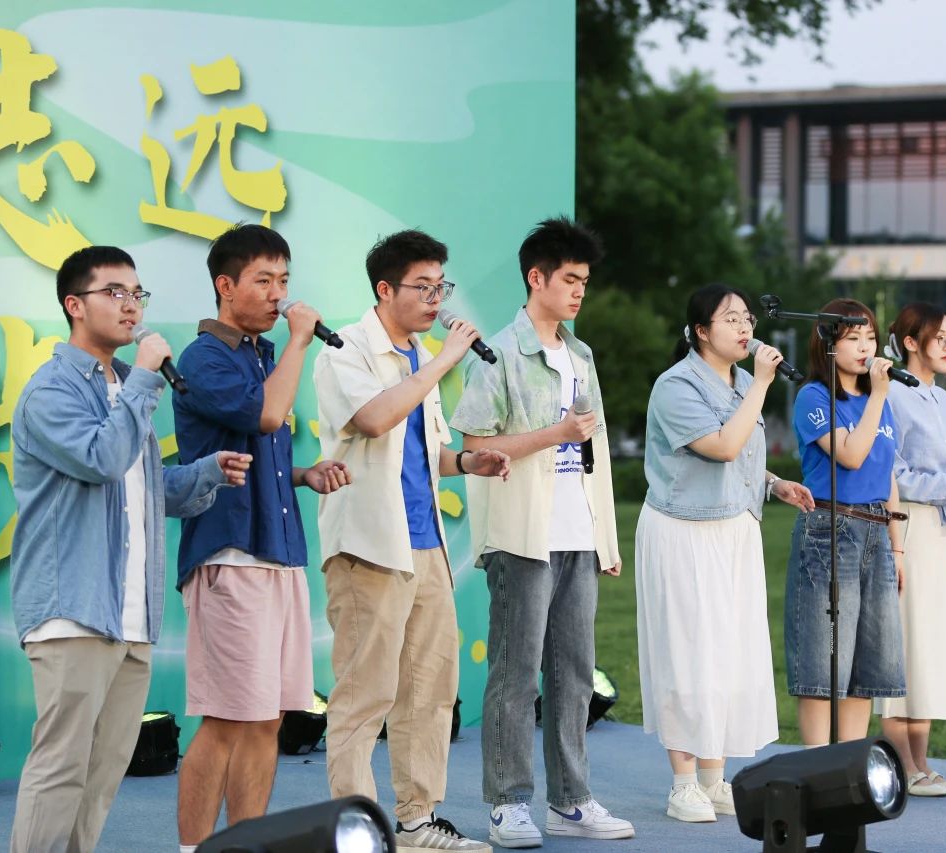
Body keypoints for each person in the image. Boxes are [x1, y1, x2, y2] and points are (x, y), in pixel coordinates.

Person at [9, 246, 251, 853]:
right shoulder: (51, 391)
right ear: (74, 305)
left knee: (102, 773)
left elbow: (141, 489)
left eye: (137, 293)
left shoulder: (124, 385)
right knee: (61, 766)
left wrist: (205, 473)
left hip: (131, 615)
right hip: (74, 610)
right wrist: (144, 379)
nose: (131, 306)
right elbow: (102, 460)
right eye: (114, 292)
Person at [314, 229, 510, 851]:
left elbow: (427, 453)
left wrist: (468, 462)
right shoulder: (346, 349)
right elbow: (374, 420)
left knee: (430, 690)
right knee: (364, 694)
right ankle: (356, 829)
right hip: (369, 546)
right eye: (422, 287)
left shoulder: (420, 355)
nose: (435, 300)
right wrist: (445, 360)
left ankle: (418, 821)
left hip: (426, 546)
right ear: (384, 289)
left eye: (440, 287)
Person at [450, 217, 635, 849]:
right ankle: (507, 803)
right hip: (521, 536)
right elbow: (474, 446)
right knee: (516, 672)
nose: (580, 290)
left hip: (578, 533)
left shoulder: (581, 355)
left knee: (575, 673)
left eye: (585, 280)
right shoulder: (499, 352)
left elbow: (596, 452)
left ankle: (571, 800)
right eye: (570, 279)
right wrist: (553, 435)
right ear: (537, 278)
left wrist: (604, 537)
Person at [171, 224, 350, 852]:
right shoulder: (204, 358)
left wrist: (302, 474)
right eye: (264, 280)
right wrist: (300, 338)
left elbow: (259, 444)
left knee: (268, 718)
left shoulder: (262, 355)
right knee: (227, 718)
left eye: (285, 281)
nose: (279, 294)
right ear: (226, 286)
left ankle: (242, 845)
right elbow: (267, 415)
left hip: (279, 553)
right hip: (229, 555)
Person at [635, 284, 815, 823]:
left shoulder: (740, 382)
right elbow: (720, 447)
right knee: (687, 653)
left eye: (747, 318)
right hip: (684, 531)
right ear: (700, 331)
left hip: (735, 530)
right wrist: (761, 383)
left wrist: (774, 483)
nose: (744, 327)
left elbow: (741, 457)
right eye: (730, 318)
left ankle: (714, 780)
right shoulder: (676, 385)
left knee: (727, 654)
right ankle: (682, 784)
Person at [785, 298, 908, 746]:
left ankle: (851, 764)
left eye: (870, 338)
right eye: (853, 338)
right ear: (828, 344)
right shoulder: (815, 397)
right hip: (831, 528)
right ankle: (818, 765)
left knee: (869, 665)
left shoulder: (879, 402)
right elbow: (852, 456)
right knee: (823, 661)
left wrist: (897, 548)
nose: (865, 347)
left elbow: (886, 474)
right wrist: (878, 395)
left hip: (876, 529)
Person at [875, 303, 946, 797]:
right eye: (940, 337)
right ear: (910, 342)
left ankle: (922, 762)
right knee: (909, 644)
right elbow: (892, 473)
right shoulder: (892, 396)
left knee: (933, 648)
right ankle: (902, 766)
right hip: (911, 530)